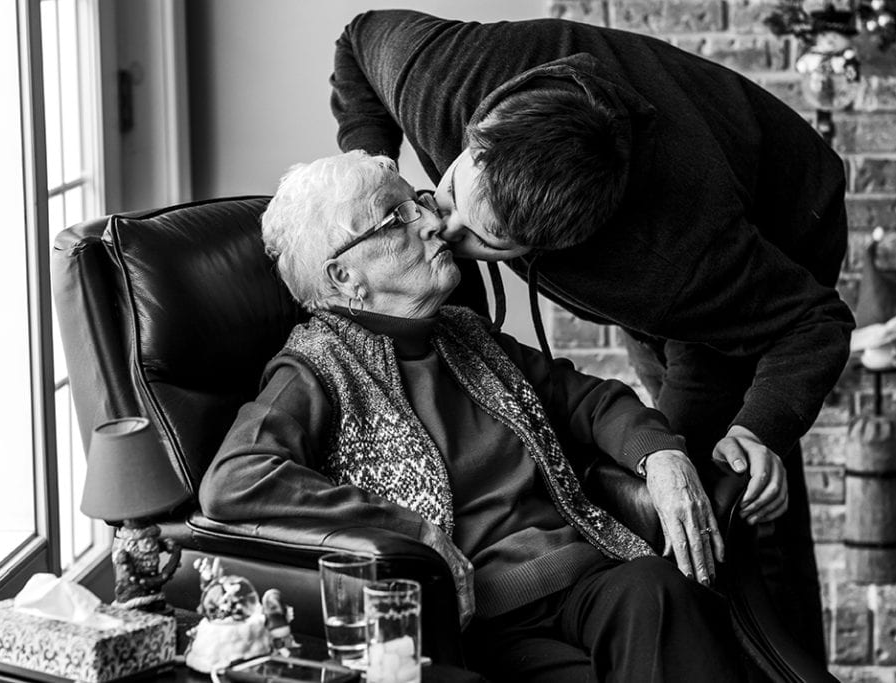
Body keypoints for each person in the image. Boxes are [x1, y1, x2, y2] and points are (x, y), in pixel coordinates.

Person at [329, 10, 856, 658]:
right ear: (481, 130)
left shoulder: (671, 263)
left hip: (787, 213)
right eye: (458, 184)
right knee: (669, 467)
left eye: (480, 239)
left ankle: (780, 663)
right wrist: (371, 159)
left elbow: (813, 320)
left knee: (720, 490)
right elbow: (358, 39)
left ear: (558, 248)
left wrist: (761, 425)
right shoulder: (441, 74)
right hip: (686, 232)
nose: (441, 222)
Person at [199, 151, 744, 682]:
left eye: (418, 205)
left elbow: (587, 399)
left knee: (657, 586)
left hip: (589, 578)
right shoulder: (315, 369)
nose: (433, 223)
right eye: (398, 219)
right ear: (343, 275)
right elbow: (237, 479)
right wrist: (413, 532)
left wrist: (662, 456)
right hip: (481, 623)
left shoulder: (464, 332)